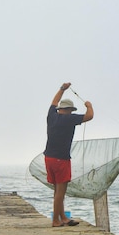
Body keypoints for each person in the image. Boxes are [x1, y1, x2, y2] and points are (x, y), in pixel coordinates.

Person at [44, 82, 93, 227]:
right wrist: (89, 105)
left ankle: (62, 217)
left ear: (60, 109)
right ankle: (55, 221)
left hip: (49, 158)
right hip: (61, 159)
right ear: (70, 110)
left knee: (57, 190)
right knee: (61, 191)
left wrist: (62, 89)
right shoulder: (69, 119)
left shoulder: (52, 116)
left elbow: (54, 102)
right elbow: (89, 116)